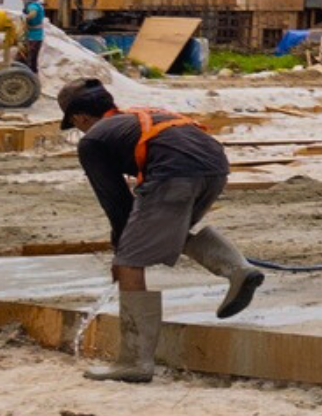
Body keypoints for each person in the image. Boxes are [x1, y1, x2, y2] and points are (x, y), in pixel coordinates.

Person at [57, 80, 264, 383]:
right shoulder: (136, 117)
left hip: (175, 172)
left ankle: (134, 362)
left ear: (80, 118)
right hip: (215, 166)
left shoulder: (94, 140)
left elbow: (116, 202)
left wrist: (121, 251)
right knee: (163, 230)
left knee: (130, 260)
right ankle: (237, 270)